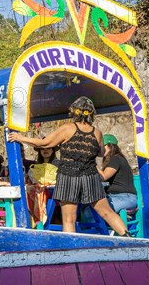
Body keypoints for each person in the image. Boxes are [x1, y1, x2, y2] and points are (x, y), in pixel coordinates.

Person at [8, 96, 129, 236]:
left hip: (69, 177)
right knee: (107, 212)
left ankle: (71, 249)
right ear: (91, 114)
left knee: (69, 220)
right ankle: (129, 239)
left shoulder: (67, 128)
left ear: (74, 112)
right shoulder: (97, 132)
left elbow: (45, 143)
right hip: (90, 177)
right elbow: (101, 153)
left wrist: (21, 138)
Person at [97, 134, 137, 212]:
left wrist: (92, 162)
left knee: (99, 209)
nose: (100, 150)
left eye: (102, 147)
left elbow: (104, 176)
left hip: (126, 198)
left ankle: (109, 223)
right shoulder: (112, 160)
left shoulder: (116, 159)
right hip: (113, 196)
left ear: (109, 146)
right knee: (88, 209)